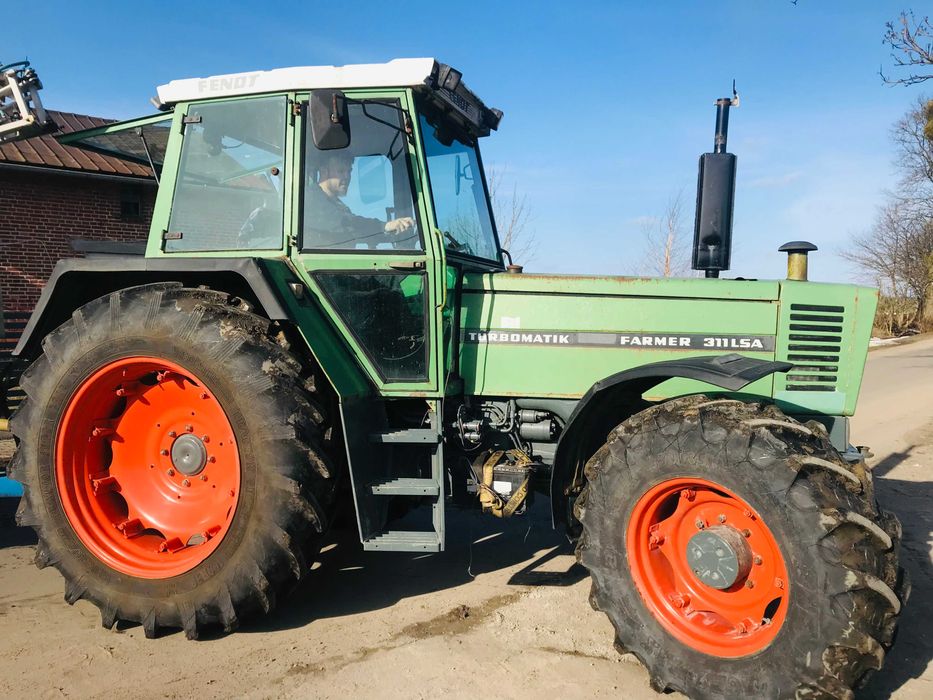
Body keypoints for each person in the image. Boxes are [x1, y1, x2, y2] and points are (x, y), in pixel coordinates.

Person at [304, 152, 415, 249]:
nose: (347, 176)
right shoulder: (310, 200)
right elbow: (346, 223)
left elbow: (358, 231)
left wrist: (392, 232)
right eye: (341, 171)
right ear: (324, 172)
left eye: (349, 171)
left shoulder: (339, 206)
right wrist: (384, 226)